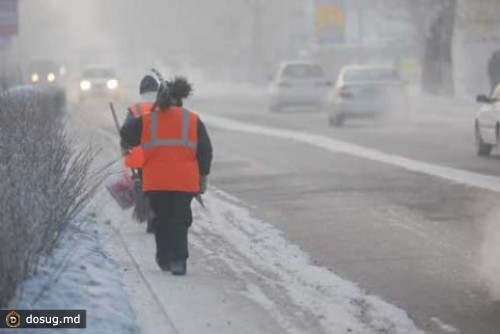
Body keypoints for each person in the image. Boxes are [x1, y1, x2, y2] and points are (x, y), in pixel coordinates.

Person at [120, 76, 213, 275]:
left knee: (160, 219)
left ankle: (164, 259)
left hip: (156, 182)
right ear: (180, 99)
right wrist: (202, 176)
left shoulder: (148, 120)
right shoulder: (192, 119)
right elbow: (205, 150)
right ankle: (178, 260)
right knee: (179, 219)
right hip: (184, 182)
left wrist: (150, 116)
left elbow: (126, 134)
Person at [123, 75, 160, 233]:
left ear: (141, 91)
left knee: (146, 185)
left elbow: (126, 134)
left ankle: (150, 215)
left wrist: (125, 151)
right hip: (162, 155)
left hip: (140, 157)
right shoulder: (165, 107)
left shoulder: (135, 110)